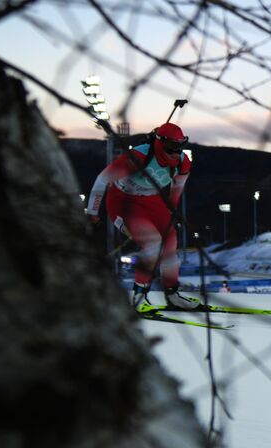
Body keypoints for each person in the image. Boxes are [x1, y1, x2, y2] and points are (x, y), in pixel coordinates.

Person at [85, 122, 201, 310]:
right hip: (123, 203)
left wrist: (172, 210)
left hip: (152, 201)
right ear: (161, 143)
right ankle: (139, 296)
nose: (176, 152)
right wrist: (92, 213)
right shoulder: (138, 156)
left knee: (170, 241)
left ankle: (172, 294)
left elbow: (177, 188)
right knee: (153, 243)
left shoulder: (183, 161)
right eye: (172, 146)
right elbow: (102, 180)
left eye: (181, 146)